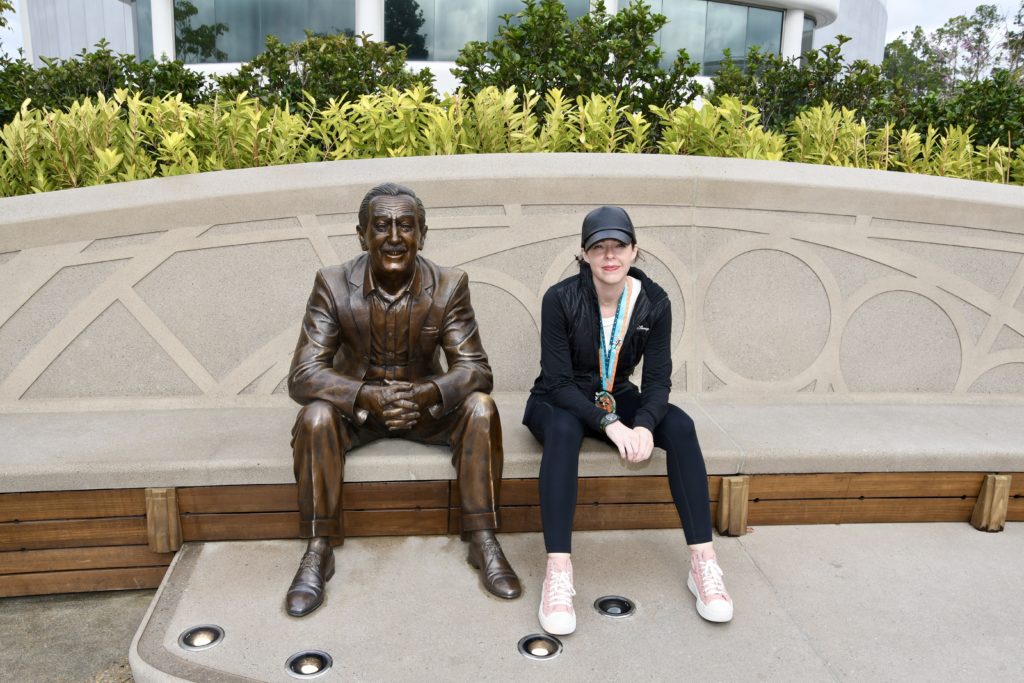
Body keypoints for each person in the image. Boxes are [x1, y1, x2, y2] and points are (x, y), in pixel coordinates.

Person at [284, 182, 521, 617]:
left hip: (423, 408)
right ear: (361, 235)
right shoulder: (333, 285)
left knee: (481, 407)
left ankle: (483, 539)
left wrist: (430, 390)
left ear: (423, 234)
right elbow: (303, 374)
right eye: (382, 226)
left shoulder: (449, 286)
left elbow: (476, 369)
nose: (395, 237)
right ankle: (319, 547)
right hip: (356, 412)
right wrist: (365, 395)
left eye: (406, 226)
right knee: (315, 416)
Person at [523, 205, 733, 634]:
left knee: (679, 425)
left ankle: (704, 566)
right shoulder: (559, 299)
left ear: (635, 250)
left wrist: (644, 423)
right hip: (558, 399)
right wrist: (611, 425)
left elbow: (658, 382)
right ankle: (558, 574)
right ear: (584, 255)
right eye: (598, 248)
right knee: (564, 429)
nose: (609, 256)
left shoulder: (654, 301)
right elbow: (560, 382)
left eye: (618, 245)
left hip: (616, 395)